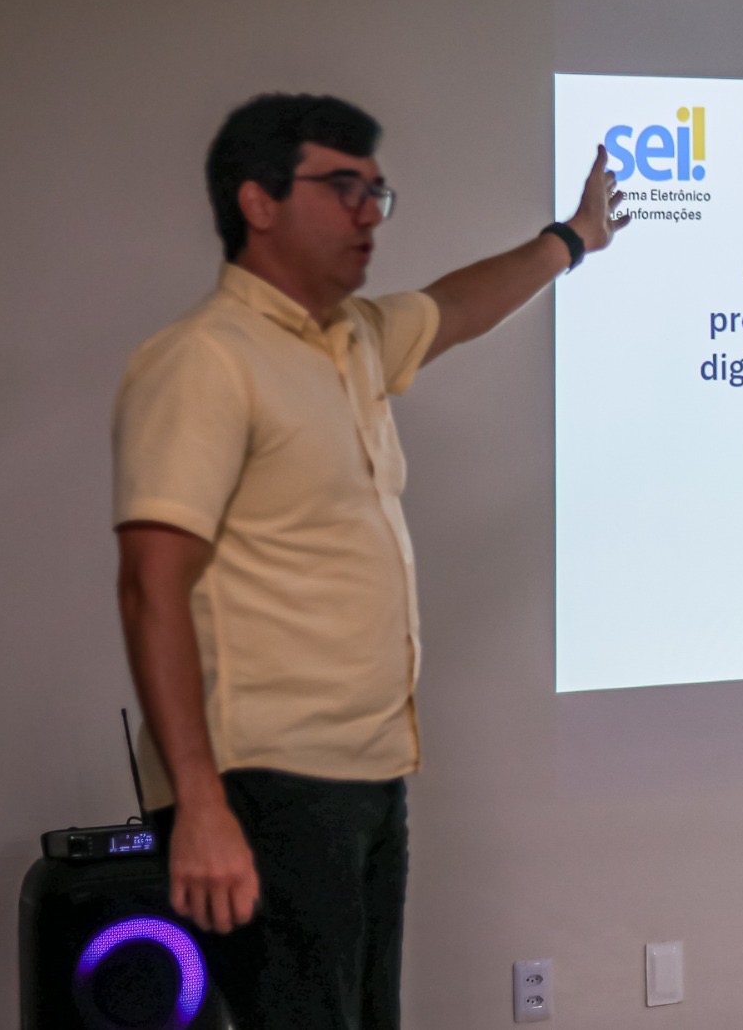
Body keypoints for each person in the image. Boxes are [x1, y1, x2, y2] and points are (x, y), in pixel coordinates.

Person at [112, 93, 627, 1029]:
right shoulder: (204, 362)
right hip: (259, 783)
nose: (367, 213)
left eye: (376, 192)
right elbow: (152, 589)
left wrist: (572, 239)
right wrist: (199, 803)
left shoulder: (350, 342)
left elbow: (456, 308)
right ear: (258, 202)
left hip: (364, 776)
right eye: (340, 188)